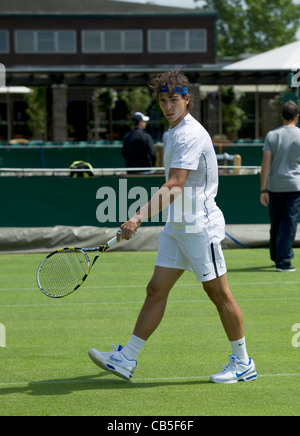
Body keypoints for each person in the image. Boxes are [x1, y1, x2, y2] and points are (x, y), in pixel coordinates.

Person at [89, 70, 257, 384]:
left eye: (174, 100)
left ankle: (243, 362)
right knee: (156, 289)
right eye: (164, 101)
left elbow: (175, 184)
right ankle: (127, 358)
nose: (169, 106)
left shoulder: (190, 134)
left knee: (218, 293)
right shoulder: (174, 132)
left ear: (187, 100)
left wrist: (137, 216)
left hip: (199, 228)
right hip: (177, 227)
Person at [260, 100, 300, 272]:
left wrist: (263, 189)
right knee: (289, 225)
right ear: (297, 117)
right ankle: (283, 262)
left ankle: (276, 256)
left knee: (276, 223)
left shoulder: (272, 135)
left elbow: (266, 164)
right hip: (294, 186)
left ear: (282, 116)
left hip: (275, 186)